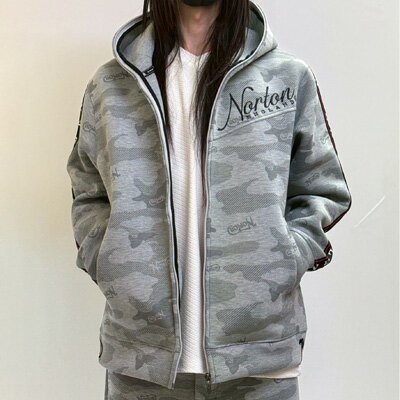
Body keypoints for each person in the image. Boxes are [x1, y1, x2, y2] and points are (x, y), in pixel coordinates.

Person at [66, 0, 352, 398]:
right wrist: (112, 262)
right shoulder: (111, 85)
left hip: (260, 361)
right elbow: (88, 190)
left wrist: (283, 257)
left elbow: (322, 188)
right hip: (142, 361)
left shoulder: (287, 77)